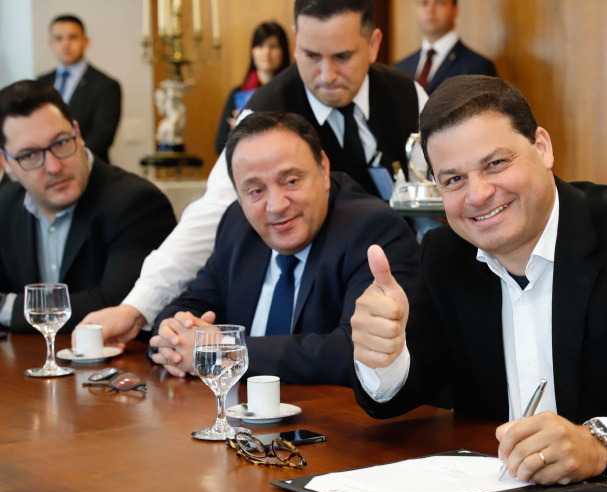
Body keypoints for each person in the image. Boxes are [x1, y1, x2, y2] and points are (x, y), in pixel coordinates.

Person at [350, 75, 607, 485]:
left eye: (495, 164)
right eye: (454, 179)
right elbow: (400, 394)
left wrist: (599, 445)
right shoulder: (447, 254)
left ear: (542, 148)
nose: (476, 195)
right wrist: (382, 357)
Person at [79, 0, 427, 347]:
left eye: (342, 57)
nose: (326, 75)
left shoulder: (408, 96)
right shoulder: (264, 111)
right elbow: (210, 215)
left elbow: (435, 198)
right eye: (310, 56)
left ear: (373, 44)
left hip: (410, 281)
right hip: (320, 297)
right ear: (294, 40)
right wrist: (137, 307)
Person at [150, 112, 418, 383]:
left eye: (291, 181)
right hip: (232, 416)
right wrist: (173, 336)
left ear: (323, 170)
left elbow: (358, 352)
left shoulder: (373, 230)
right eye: (255, 191)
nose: (277, 206)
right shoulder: (237, 225)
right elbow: (185, 307)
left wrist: (225, 353)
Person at [0, 81, 175, 334]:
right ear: (5, 161)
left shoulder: (137, 202)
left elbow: (116, 305)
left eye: (60, 143)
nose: (53, 167)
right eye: (30, 155)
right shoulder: (5, 206)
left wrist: (7, 307)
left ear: (78, 134)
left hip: (117, 369)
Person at [36, 14, 121, 164]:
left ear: (85, 41)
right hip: (47, 166)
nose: (65, 44)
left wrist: (66, 159)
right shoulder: (41, 82)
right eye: (59, 38)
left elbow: (102, 137)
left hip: (90, 167)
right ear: (51, 43)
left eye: (73, 37)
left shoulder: (106, 85)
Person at [214, 22, 291, 154]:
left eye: (273, 46)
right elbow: (219, 145)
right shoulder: (238, 94)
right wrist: (237, 133)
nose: (267, 52)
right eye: (260, 46)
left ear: (283, 51)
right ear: (252, 51)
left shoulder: (293, 92)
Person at [394, 0, 496, 94]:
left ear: (455, 10)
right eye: (424, 3)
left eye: (439, 2)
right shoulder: (400, 69)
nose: (430, 9)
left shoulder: (478, 67)